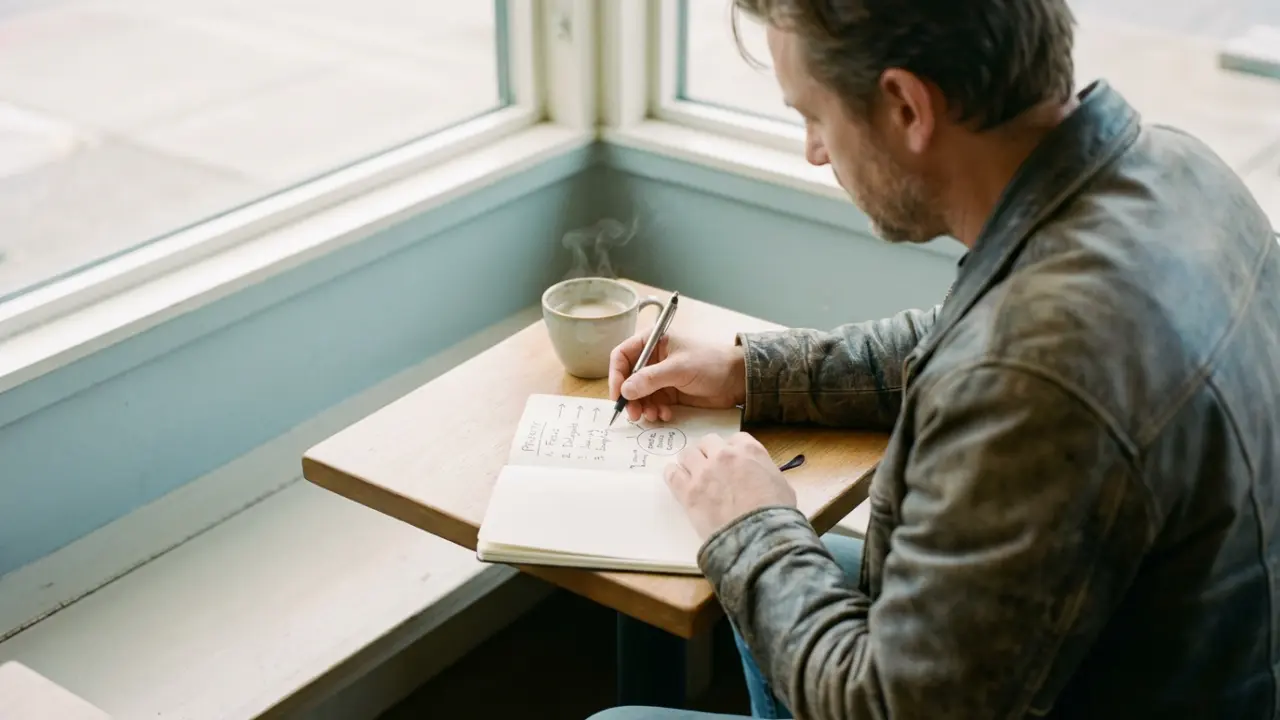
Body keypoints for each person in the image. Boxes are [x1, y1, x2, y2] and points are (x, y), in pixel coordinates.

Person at [590, 0, 1280, 718]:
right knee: (782, 571)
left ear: (906, 107)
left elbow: (885, 707)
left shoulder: (1041, 379)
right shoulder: (1174, 166)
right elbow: (969, 332)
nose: (814, 152)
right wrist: (750, 370)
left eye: (815, 117)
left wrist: (752, 524)